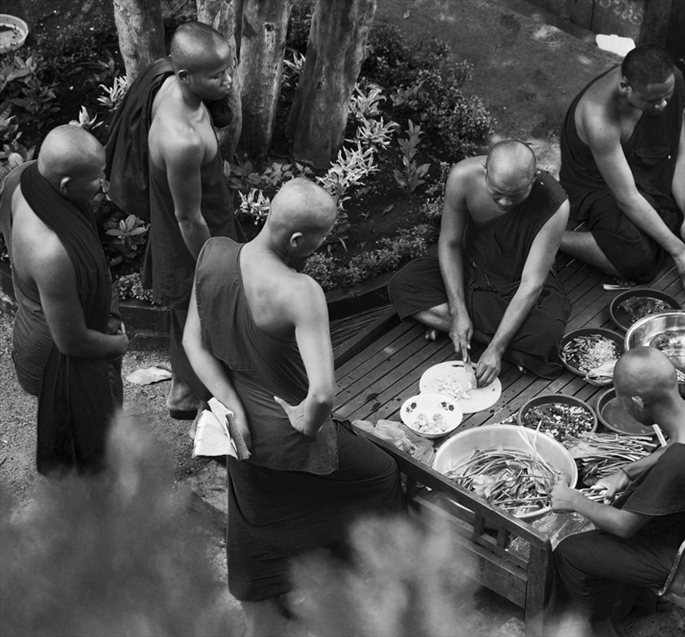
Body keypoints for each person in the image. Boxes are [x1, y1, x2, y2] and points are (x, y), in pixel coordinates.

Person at [182, 178, 403, 636]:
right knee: (380, 475)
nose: (323, 245)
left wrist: (231, 403)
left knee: (257, 512)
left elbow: (192, 343)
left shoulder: (214, 254)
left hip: (236, 428)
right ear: (298, 240)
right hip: (287, 436)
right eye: (323, 236)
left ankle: (276, 591)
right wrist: (306, 421)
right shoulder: (300, 291)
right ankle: (329, 569)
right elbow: (322, 394)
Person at [549, 347, 685, 633]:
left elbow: (623, 526)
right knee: (634, 501)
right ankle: (651, 602)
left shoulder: (680, 461)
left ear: (637, 402)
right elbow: (675, 447)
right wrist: (626, 471)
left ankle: (602, 626)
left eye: (621, 400)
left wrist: (573, 500)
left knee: (571, 552)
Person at [105, 20, 244, 421]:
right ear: (185, 75)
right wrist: (214, 268)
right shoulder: (180, 140)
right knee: (206, 322)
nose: (229, 81)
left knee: (187, 317)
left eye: (229, 69)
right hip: (193, 240)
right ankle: (214, 411)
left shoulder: (166, 76)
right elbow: (187, 217)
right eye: (217, 76)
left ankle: (182, 394)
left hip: (205, 216)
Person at [558, 43, 685, 285]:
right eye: (652, 101)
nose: (663, 106)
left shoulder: (671, 81)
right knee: (637, 260)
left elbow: (677, 153)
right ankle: (555, 237)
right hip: (601, 187)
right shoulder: (599, 117)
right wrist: (679, 251)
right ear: (625, 87)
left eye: (666, 97)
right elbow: (627, 197)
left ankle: (655, 232)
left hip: (651, 171)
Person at [0, 125, 128, 475]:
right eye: (97, 180)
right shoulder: (51, 253)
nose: (103, 187)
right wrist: (119, 344)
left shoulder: (21, 177)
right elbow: (72, 341)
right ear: (67, 186)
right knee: (79, 446)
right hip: (54, 353)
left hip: (39, 321)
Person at [388, 140, 571, 383]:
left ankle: (465, 333)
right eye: (497, 193)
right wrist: (458, 310)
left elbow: (531, 284)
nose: (505, 203)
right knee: (404, 283)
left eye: (516, 196)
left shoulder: (554, 203)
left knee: (546, 333)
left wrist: (496, 349)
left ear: (534, 177)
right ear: (486, 169)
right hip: (471, 271)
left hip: (517, 284)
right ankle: (478, 334)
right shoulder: (462, 177)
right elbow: (449, 244)